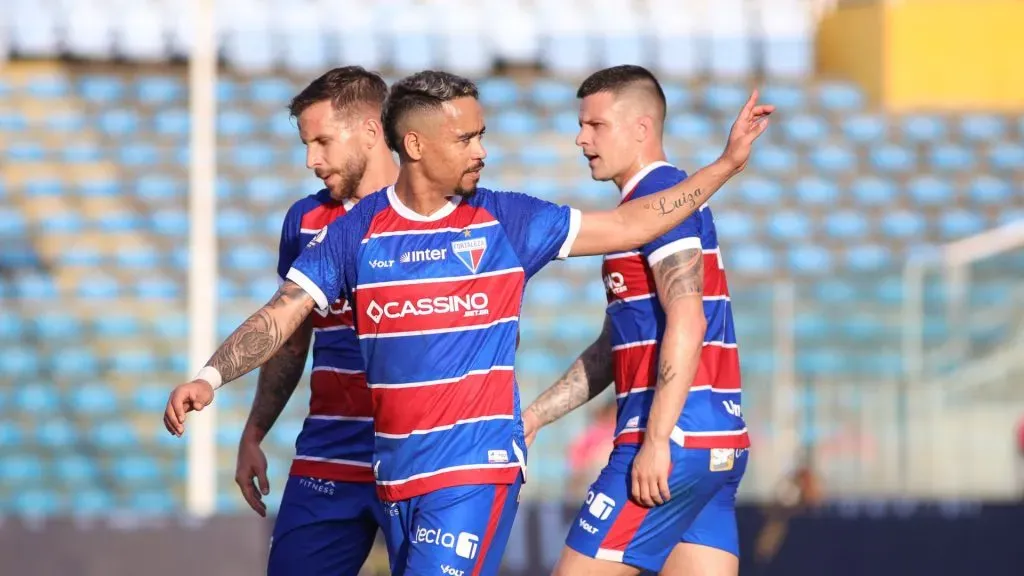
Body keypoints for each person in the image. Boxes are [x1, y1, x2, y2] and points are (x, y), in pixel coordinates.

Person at [162, 69, 772, 576]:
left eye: (482, 135)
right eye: (467, 138)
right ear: (417, 145)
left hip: (473, 476)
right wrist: (210, 377)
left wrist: (725, 165)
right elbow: (282, 317)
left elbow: (633, 225)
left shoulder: (508, 220)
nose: (482, 150)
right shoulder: (356, 232)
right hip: (393, 476)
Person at [523, 65, 750, 576]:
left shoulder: (660, 199)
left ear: (642, 128)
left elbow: (687, 318)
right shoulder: (650, 209)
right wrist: (536, 415)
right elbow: (613, 347)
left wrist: (655, 439)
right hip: (716, 445)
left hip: (671, 438)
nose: (582, 139)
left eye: (596, 126)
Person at [233, 66, 399, 576]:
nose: (311, 160)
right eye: (307, 144)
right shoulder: (305, 221)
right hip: (329, 450)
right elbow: (289, 339)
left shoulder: (444, 214)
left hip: (417, 453)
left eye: (323, 141)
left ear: (371, 130)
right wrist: (255, 430)